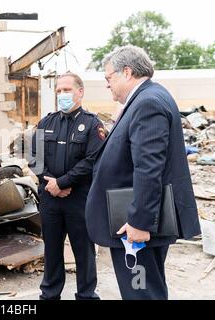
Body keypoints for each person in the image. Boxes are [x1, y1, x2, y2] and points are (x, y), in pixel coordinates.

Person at [86, 45, 201, 300]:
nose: (107, 86)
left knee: (141, 293)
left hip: (137, 227)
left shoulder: (147, 102)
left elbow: (149, 168)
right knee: (143, 291)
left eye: (109, 78)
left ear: (126, 72)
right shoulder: (144, 98)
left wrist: (139, 222)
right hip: (137, 220)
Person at [30, 72, 105, 300]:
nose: (62, 94)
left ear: (80, 92)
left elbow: (92, 160)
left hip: (79, 199)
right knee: (52, 251)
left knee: (83, 251)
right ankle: (50, 294)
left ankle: (86, 295)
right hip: (50, 200)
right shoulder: (46, 122)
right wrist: (51, 183)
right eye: (59, 91)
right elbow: (34, 157)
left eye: (67, 90)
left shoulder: (93, 124)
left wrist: (62, 183)